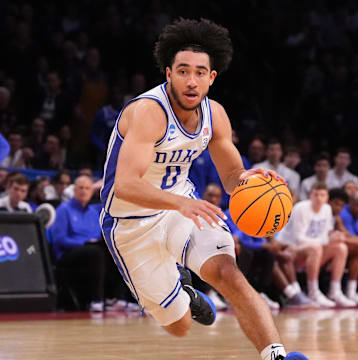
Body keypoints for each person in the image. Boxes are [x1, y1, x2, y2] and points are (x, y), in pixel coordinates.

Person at [100, 18, 308, 360]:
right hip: (129, 223)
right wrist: (180, 205)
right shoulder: (148, 113)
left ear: (212, 77)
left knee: (229, 273)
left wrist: (252, 182)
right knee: (179, 326)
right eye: (183, 71)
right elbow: (125, 185)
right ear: (168, 74)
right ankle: (185, 294)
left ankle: (276, 356)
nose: (191, 81)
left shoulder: (216, 116)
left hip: (182, 205)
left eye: (200, 72)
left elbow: (232, 176)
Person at [51, 175, 126, 312]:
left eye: (87, 188)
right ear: (74, 190)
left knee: (117, 249)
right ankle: (96, 300)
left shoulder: (94, 212)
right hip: (68, 254)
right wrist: (85, 243)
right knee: (95, 251)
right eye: (80, 188)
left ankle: (116, 298)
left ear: (92, 191)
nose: (84, 191)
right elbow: (59, 239)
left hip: (94, 251)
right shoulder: (64, 209)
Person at [278, 183, 355, 307]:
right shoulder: (300, 208)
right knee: (316, 247)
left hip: (314, 251)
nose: (319, 198)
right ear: (310, 195)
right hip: (292, 250)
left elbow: (324, 236)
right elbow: (298, 238)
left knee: (341, 247)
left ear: (327, 197)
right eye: (316, 194)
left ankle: (335, 291)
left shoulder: (327, 209)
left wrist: (334, 237)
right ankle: (313, 292)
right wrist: (326, 241)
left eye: (322, 195)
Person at [329, 188, 358, 304]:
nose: (338, 208)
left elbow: (348, 235)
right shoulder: (343, 214)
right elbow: (344, 237)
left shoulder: (337, 217)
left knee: (356, 251)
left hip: (335, 247)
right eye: (357, 205)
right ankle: (334, 291)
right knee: (344, 247)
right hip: (324, 247)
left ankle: (351, 292)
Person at [253, 138, 300, 203]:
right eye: (271, 149)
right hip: (262, 202)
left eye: (277, 149)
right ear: (266, 152)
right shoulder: (257, 168)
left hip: (283, 205)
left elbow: (294, 195)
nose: (274, 152)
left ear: (281, 152)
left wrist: (286, 208)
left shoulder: (290, 173)